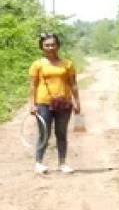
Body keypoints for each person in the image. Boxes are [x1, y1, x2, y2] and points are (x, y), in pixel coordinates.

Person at [28, 33, 81, 175]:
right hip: (43, 103)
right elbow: (33, 86)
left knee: (61, 133)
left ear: (58, 46)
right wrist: (32, 104)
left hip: (64, 103)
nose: (50, 48)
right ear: (42, 47)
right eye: (47, 45)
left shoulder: (67, 64)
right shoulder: (37, 65)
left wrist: (76, 102)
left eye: (53, 44)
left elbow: (73, 84)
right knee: (44, 133)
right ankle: (39, 163)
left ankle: (62, 163)